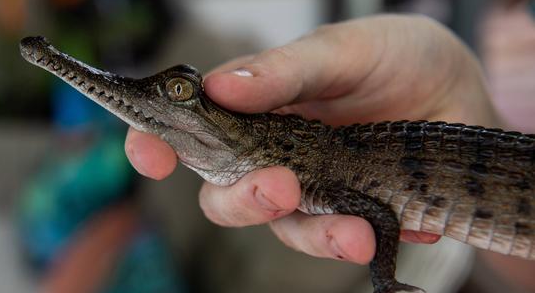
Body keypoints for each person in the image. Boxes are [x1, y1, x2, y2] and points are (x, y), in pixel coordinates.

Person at [124, 14, 501, 265]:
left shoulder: (320, 182)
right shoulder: (314, 177)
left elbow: (384, 217)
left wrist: (383, 278)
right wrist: (462, 94)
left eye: (177, 90)